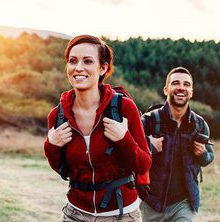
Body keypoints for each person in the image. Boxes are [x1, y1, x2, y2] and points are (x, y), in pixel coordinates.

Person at [44, 34, 152, 222]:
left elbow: (144, 165)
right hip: (75, 213)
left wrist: (124, 139)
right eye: (72, 61)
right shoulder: (58, 115)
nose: (78, 68)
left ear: (103, 68)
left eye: (87, 61)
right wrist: (51, 146)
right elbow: (63, 170)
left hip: (122, 214)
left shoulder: (124, 108)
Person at [140, 67, 215, 222]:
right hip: (150, 202)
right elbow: (129, 150)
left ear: (192, 91)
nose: (181, 87)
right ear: (166, 89)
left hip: (184, 204)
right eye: (176, 83)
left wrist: (203, 154)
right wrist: (149, 145)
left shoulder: (200, 124)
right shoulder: (149, 121)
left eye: (186, 84)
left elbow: (209, 157)